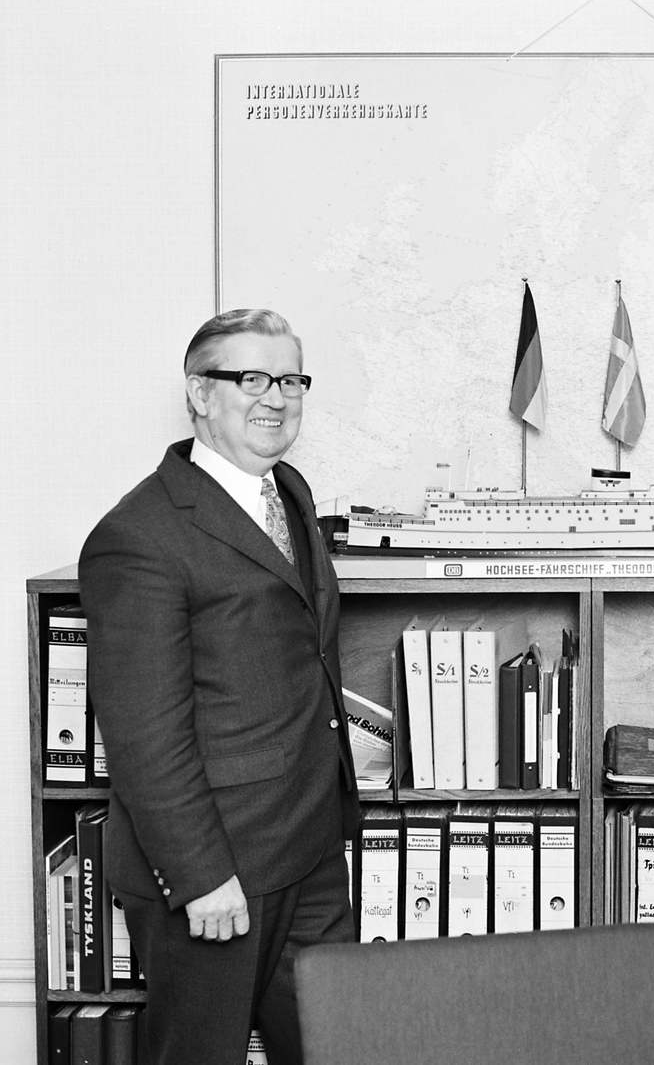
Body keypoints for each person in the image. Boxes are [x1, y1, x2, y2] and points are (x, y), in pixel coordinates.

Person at [79, 309, 359, 1065]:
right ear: (200, 394)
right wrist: (202, 878)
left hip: (310, 851)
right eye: (253, 378)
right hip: (216, 872)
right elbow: (143, 736)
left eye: (291, 379)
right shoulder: (138, 536)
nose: (278, 397)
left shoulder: (288, 492)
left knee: (340, 1048)